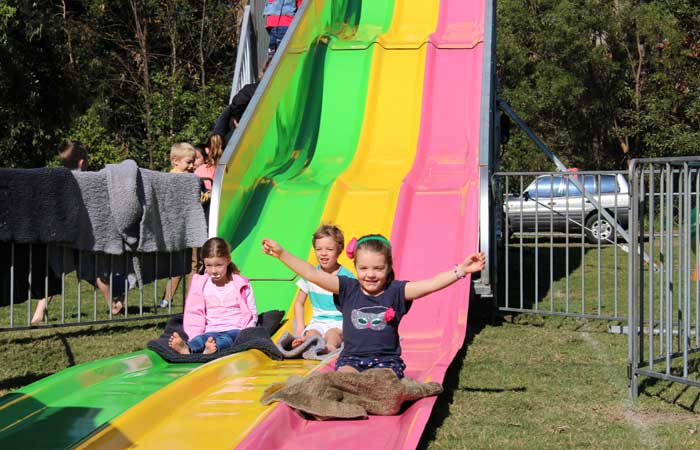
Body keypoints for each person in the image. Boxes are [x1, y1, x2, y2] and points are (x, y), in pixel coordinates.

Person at [262, 234, 485, 378]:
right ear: (356, 267)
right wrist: (281, 254)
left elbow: (431, 284)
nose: (370, 275)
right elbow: (311, 273)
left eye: (378, 269)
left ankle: (376, 395)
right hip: (351, 358)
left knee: (383, 381)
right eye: (364, 268)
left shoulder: (397, 291)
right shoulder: (348, 289)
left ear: (388, 268)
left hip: (386, 361)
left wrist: (461, 270)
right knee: (343, 378)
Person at [32, 141, 123, 324]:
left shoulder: (58, 180)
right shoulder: (91, 180)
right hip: (86, 234)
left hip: (62, 233)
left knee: (55, 272)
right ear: (82, 162)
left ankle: (38, 313)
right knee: (97, 272)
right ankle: (112, 305)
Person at [169, 237, 257, 354]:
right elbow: (194, 312)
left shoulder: (241, 284)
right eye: (209, 265)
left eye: (219, 265)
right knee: (200, 339)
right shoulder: (201, 284)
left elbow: (251, 311)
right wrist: (195, 334)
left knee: (227, 339)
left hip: (235, 329)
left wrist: (247, 334)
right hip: (211, 330)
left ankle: (212, 349)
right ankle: (187, 348)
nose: (214, 270)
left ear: (228, 260)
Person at [291, 224, 354, 354]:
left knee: (332, 335)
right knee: (312, 333)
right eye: (319, 249)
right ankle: (306, 343)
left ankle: (329, 347)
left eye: (329, 249)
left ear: (339, 250)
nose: (323, 253)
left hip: (338, 322)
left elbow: (354, 304)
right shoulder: (310, 274)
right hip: (318, 321)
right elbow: (299, 303)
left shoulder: (347, 277)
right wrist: (300, 328)